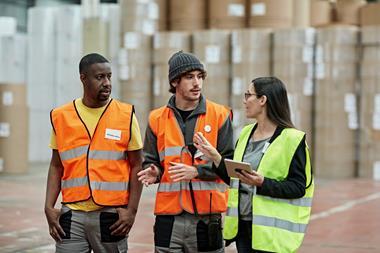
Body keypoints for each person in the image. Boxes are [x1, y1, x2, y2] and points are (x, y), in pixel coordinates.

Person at [193, 77, 314, 253]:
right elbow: (235, 179)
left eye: (248, 95)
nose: (245, 100)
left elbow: (297, 187)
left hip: (271, 234)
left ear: (262, 100)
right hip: (243, 228)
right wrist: (216, 157)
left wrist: (262, 183)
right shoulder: (246, 133)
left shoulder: (293, 139)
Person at [44, 53, 143, 253]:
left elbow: (137, 166)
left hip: (110, 216)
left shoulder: (125, 115)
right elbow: (56, 165)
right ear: (83, 78)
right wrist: (48, 206)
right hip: (71, 215)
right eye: (100, 77)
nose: (107, 83)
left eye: (109, 76)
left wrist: (131, 211)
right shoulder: (61, 116)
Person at [137, 51, 234, 252]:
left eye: (200, 76)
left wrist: (197, 172)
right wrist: (154, 171)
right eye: (190, 77)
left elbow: (229, 165)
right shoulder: (156, 119)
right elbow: (151, 160)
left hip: (206, 218)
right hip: (168, 217)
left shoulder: (220, 115)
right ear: (174, 82)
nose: (197, 83)